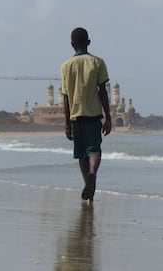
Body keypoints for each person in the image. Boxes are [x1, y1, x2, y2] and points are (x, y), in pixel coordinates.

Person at [61, 27, 111, 201]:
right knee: (94, 150)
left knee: (81, 154)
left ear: (72, 45)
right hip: (93, 115)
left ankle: (87, 185)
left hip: (75, 117)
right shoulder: (98, 62)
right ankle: (93, 174)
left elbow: (65, 98)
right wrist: (108, 117)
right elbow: (103, 92)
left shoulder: (66, 66)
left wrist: (67, 124)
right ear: (88, 42)